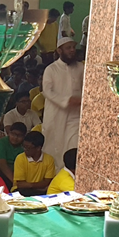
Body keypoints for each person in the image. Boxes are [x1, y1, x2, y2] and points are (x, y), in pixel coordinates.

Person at [42, 37, 84, 168]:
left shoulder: (81, 68)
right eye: (68, 48)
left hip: (75, 114)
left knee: (74, 144)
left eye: (73, 47)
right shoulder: (51, 69)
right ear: (59, 51)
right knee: (55, 146)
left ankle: (72, 173)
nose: (72, 50)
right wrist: (67, 100)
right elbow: (47, 91)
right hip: (56, 114)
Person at [13, 131, 55, 195]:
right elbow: (20, 184)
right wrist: (39, 186)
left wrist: (30, 185)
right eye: (24, 146)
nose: (25, 149)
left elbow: (47, 182)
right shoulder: (20, 158)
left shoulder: (49, 159)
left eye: (28, 147)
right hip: (21, 192)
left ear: (38, 148)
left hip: (39, 192)